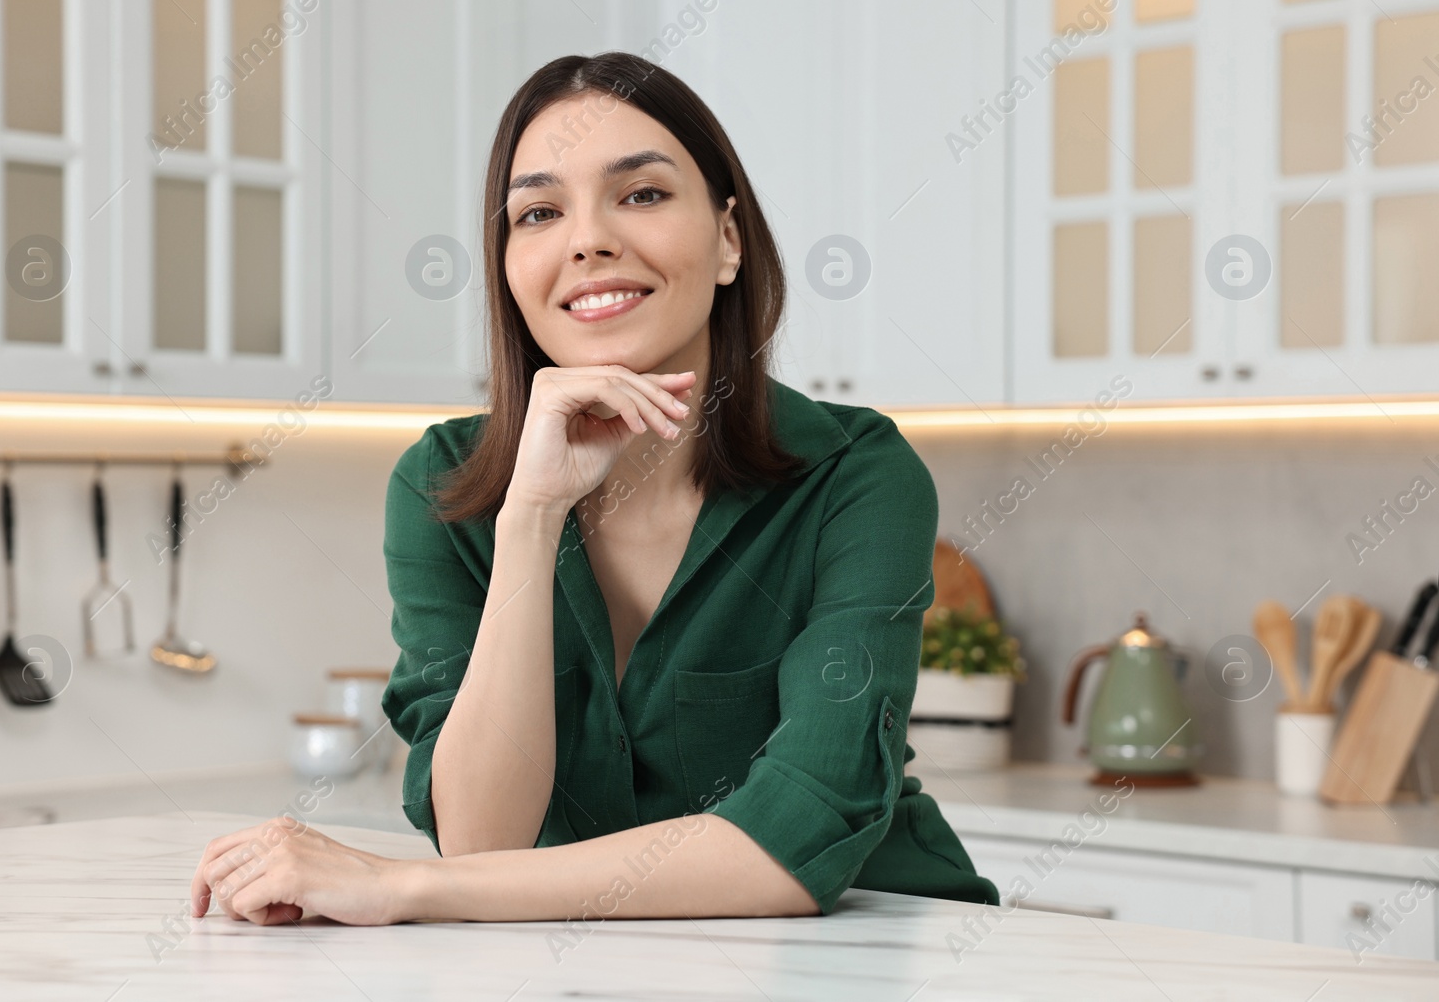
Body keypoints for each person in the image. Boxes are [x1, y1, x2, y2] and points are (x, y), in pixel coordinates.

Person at [190, 51, 1000, 927]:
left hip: (877, 957)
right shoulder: (443, 487)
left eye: (642, 194)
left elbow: (797, 832)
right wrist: (533, 516)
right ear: (508, 267)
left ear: (729, 239)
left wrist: (396, 886)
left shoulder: (854, 474)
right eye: (539, 211)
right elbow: (482, 838)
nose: (587, 240)